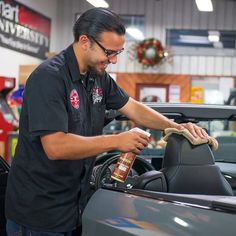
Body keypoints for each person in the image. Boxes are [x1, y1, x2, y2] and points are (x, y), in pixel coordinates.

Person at [5, 7, 207, 236]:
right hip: (38, 212)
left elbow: (132, 107)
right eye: (109, 52)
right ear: (84, 42)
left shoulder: (98, 77)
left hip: (75, 205)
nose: (112, 60)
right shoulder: (49, 78)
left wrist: (176, 127)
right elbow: (55, 146)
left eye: (118, 53)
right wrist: (116, 141)